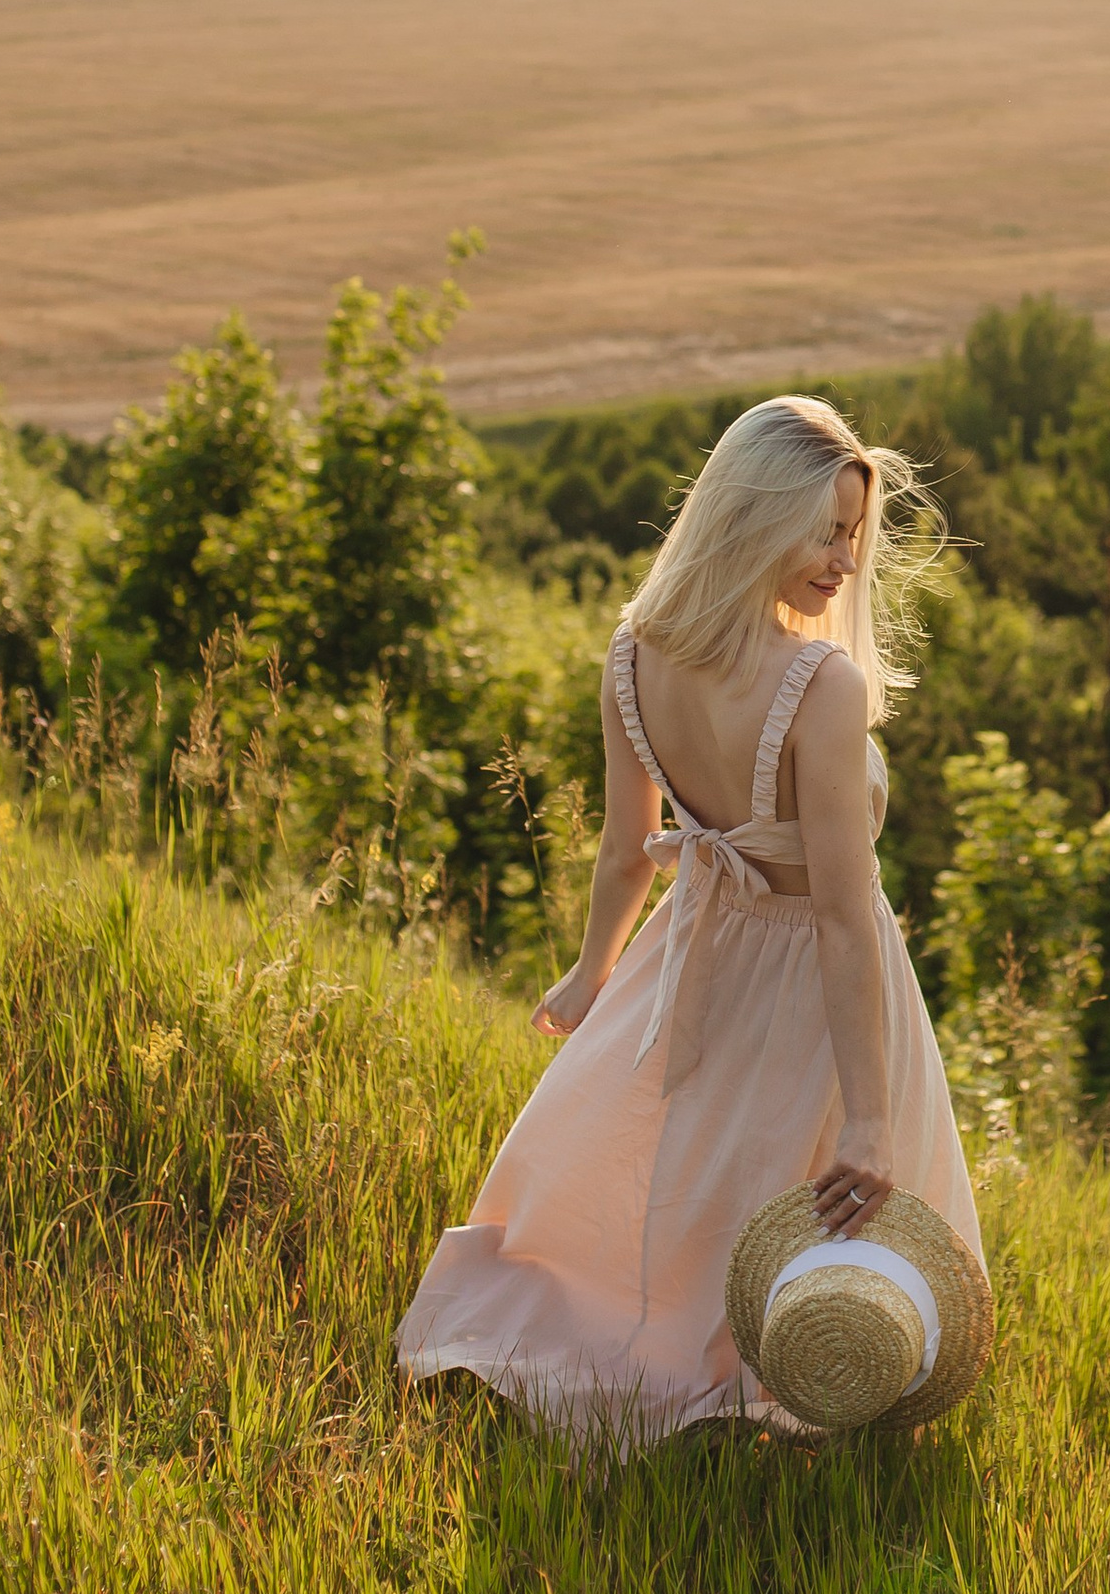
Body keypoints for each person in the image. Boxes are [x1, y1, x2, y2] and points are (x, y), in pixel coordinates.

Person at [395, 394, 983, 1440]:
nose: (845, 560)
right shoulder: (820, 682)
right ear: (752, 512)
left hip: (696, 946)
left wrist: (593, 973)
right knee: (784, 1184)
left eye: (853, 534)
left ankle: (696, 1362)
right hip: (816, 977)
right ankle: (769, 1384)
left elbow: (628, 852)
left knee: (698, 1172)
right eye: (824, 530)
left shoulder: (633, 649)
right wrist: (866, 1114)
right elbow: (845, 917)